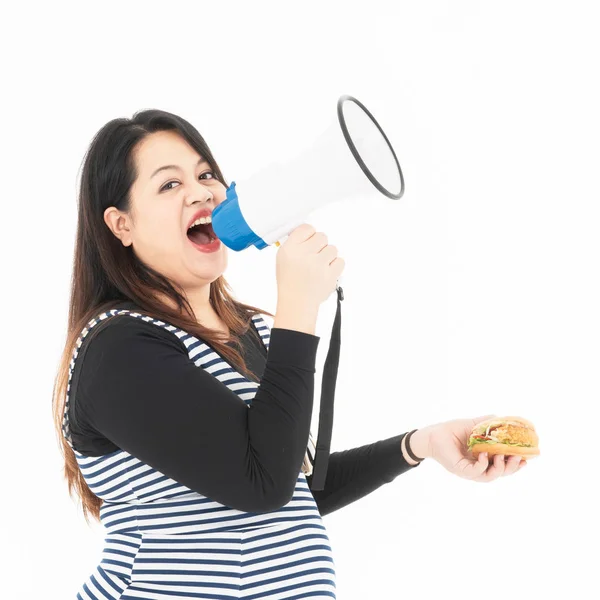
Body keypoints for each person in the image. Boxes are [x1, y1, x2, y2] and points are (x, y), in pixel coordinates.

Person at [53, 109, 528, 600]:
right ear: (121, 224)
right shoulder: (119, 349)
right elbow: (262, 483)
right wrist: (298, 308)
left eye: (205, 174)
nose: (200, 192)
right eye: (169, 185)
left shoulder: (255, 331)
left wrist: (419, 444)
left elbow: (291, 489)